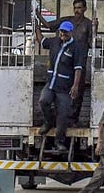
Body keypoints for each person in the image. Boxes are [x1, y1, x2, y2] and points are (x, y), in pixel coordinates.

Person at [37, 0, 95, 124]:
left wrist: (96, 30)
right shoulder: (67, 21)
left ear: (85, 9)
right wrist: (37, 16)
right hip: (64, 62)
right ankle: (59, 118)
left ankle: (73, 119)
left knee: (78, 91)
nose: (77, 10)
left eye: (79, 8)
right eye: (75, 8)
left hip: (79, 61)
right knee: (59, 91)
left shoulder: (88, 24)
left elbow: (92, 43)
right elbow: (49, 25)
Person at [35, 20, 84, 152]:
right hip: (51, 83)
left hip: (65, 87)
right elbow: (42, 41)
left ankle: (59, 141)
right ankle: (48, 121)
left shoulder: (76, 47)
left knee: (63, 115)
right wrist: (37, 29)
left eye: (65, 32)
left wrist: (75, 86)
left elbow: (78, 69)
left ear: (71, 32)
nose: (63, 34)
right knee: (43, 100)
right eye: (61, 31)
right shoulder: (54, 42)